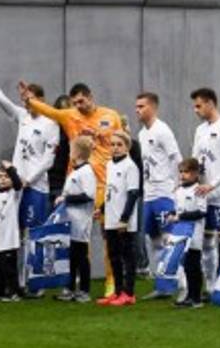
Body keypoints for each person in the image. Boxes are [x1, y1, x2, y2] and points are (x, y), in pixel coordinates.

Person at [20, 80, 125, 295]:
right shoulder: (70, 116)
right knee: (77, 239)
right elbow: (48, 110)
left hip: (105, 185)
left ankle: (111, 281)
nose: (79, 106)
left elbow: (122, 144)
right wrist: (29, 99)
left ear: (90, 96)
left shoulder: (110, 116)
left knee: (109, 236)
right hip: (76, 185)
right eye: (75, 103)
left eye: (82, 101)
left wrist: (121, 176)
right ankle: (75, 282)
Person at [0, 55, 60, 288]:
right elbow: (2, 100)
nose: (26, 104)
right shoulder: (22, 116)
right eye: (24, 100)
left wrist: (28, 179)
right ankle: (18, 281)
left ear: (41, 100)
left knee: (34, 233)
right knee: (17, 233)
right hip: (16, 186)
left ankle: (37, 282)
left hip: (35, 187)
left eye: (30, 99)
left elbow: (48, 160)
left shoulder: (51, 124)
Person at [190, 88, 220, 297]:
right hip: (202, 194)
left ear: (211, 103)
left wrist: (215, 184)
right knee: (207, 241)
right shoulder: (200, 130)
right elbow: (195, 161)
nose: (195, 110)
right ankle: (211, 287)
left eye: (199, 105)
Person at [134, 91, 182, 293]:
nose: (137, 110)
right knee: (152, 238)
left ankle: (180, 283)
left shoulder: (162, 130)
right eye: (136, 107)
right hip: (149, 194)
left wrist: (176, 187)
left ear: (153, 107)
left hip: (164, 192)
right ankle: (161, 284)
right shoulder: (141, 134)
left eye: (142, 106)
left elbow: (176, 158)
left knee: (169, 238)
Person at [100, 131, 141, 306]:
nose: (115, 148)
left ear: (127, 147)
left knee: (127, 256)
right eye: (113, 144)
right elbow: (110, 191)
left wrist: (125, 218)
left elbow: (132, 194)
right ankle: (117, 291)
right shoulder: (109, 164)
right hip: (110, 217)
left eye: (119, 145)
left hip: (123, 220)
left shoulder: (130, 167)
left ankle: (129, 292)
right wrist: (101, 209)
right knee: (113, 256)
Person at [54, 136, 96, 303]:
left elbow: (88, 195)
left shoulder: (86, 172)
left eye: (72, 150)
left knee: (81, 256)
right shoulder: (76, 171)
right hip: (71, 220)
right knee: (71, 256)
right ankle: (70, 288)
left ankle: (84, 290)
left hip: (81, 221)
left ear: (77, 152)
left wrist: (66, 199)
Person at [169, 158, 208, 309]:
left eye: (186, 172)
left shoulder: (199, 190)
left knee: (194, 266)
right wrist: (171, 215)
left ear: (195, 174)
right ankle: (189, 296)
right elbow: (176, 208)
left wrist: (181, 216)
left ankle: (196, 298)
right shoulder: (178, 190)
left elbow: (201, 212)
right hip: (180, 233)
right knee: (185, 266)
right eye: (181, 172)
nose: (183, 175)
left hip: (194, 233)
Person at [0, 165, 24, 302]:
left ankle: (14, 292)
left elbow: (18, 184)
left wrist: (11, 169)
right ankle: (0, 291)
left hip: (9, 239)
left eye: (6, 177)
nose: (3, 180)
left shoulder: (14, 194)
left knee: (10, 268)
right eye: (0, 177)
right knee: (0, 267)